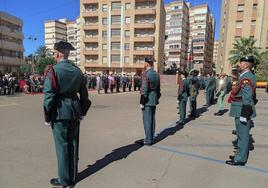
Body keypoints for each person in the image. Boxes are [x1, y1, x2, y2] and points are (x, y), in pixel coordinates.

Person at [43, 41, 91, 187]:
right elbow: (84, 95)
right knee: (73, 143)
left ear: (58, 53)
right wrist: (82, 111)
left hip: (59, 112)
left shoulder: (53, 70)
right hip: (75, 111)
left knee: (62, 146)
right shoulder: (77, 71)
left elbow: (49, 96)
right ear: (68, 53)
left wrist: (47, 115)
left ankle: (64, 180)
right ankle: (73, 177)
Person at [225, 55, 257, 166]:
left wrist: (245, 114)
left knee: (243, 137)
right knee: (240, 135)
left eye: (242, 62)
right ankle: (239, 154)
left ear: (247, 64)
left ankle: (240, 159)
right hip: (240, 108)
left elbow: (247, 98)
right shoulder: (245, 76)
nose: (240, 64)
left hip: (242, 110)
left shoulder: (246, 78)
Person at [139, 57, 161, 145]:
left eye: (144, 63)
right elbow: (159, 90)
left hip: (147, 100)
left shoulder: (145, 74)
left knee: (147, 120)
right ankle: (151, 138)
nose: (143, 64)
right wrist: (156, 98)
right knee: (152, 120)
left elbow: (144, 90)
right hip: (154, 99)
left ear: (147, 64)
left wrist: (142, 102)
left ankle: (148, 140)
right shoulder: (156, 74)